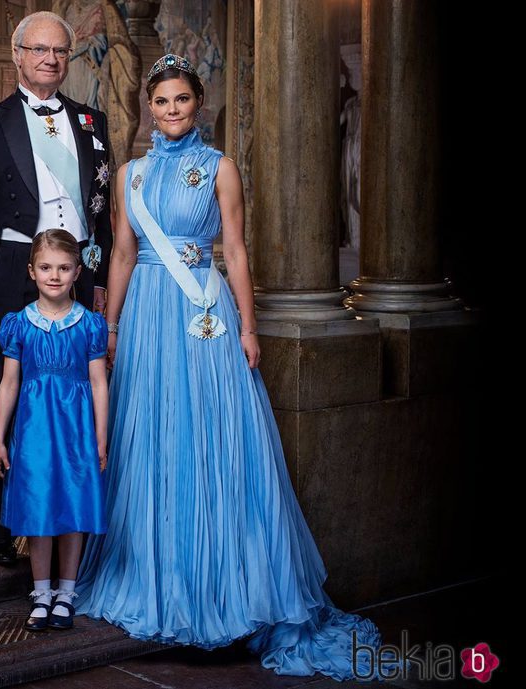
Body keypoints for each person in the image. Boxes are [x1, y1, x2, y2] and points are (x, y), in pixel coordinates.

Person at [75, 54, 388, 681]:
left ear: (198, 104)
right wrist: (109, 327)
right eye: (161, 102)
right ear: (148, 108)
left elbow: (237, 252)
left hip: (202, 317)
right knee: (154, 445)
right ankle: (158, 581)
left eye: (182, 101)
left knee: (211, 443)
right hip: (146, 320)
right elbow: (122, 258)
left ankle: (222, 587)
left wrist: (247, 327)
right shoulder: (131, 175)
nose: (171, 111)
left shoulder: (220, 168)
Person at [0, 11, 113, 566]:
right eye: (40, 49)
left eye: (60, 51)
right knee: (8, 392)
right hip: (12, 275)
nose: (51, 59)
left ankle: (67, 515)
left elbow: (101, 214)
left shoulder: (92, 121)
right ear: (18, 54)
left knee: (72, 396)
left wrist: (97, 281)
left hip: (78, 272)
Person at [0, 230, 109, 631]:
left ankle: (67, 592)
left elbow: (98, 383)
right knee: (38, 507)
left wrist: (101, 435)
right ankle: (41, 593)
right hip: (34, 431)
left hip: (76, 431)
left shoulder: (90, 325)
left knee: (73, 509)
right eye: (45, 267)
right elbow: (8, 383)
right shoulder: (18, 325)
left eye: (63, 268)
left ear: (78, 272)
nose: (54, 276)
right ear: (31, 271)